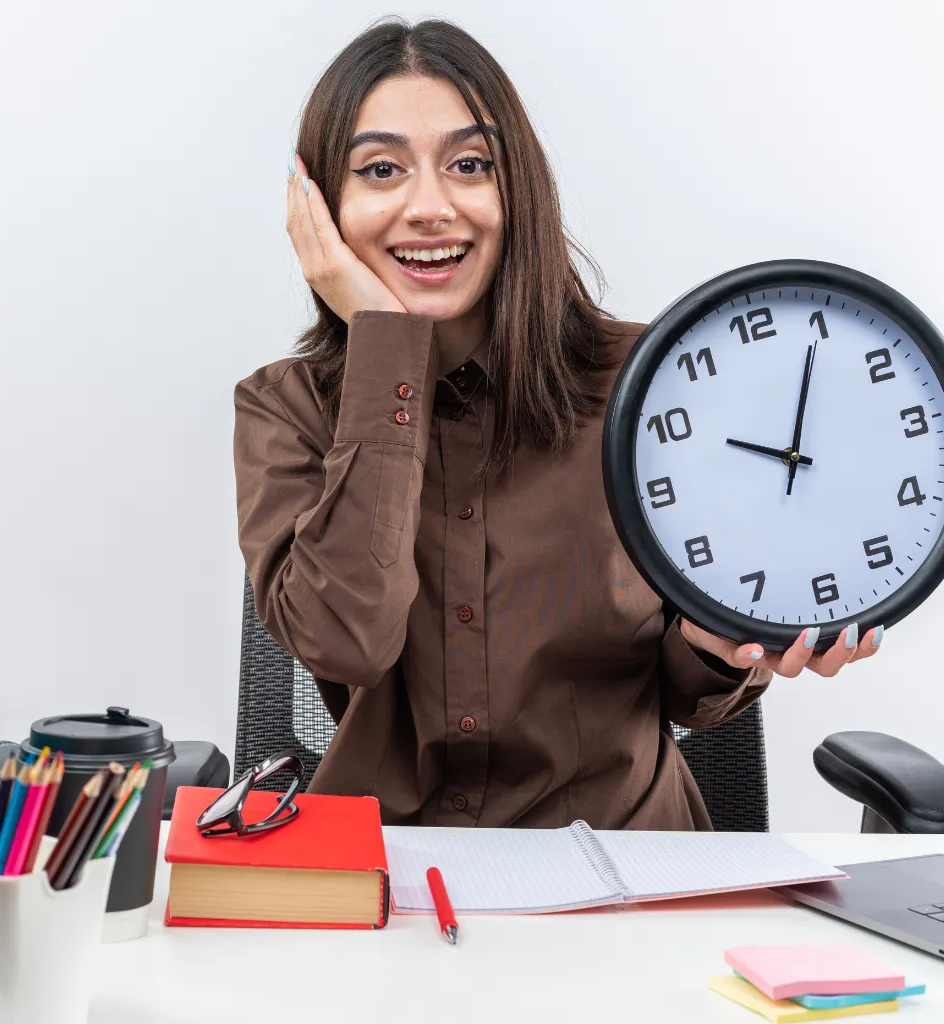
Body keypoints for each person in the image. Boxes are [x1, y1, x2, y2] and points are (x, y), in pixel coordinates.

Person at [233, 18, 881, 830]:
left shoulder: (652, 384)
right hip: (379, 877)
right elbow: (346, 642)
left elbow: (691, 692)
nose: (429, 206)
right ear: (319, 210)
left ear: (520, 192)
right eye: (381, 170)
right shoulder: (284, 409)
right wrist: (388, 351)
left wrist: (725, 647)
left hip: (624, 871)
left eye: (470, 165)